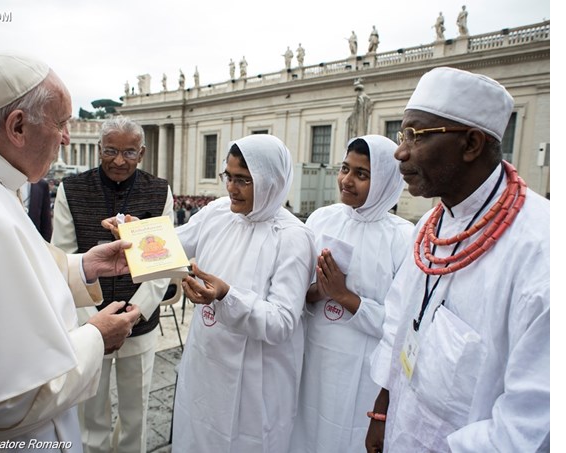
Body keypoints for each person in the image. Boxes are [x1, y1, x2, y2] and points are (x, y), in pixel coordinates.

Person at [0, 50, 140, 448]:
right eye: (62, 123)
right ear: (17, 126)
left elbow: (15, 273)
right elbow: (8, 398)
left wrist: (83, 267)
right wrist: (96, 336)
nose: (68, 137)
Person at [365, 67, 549, 452]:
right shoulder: (431, 227)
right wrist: (383, 409)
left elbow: (530, 423)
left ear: (471, 144)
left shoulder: (541, 252)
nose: (400, 151)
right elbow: (400, 320)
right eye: (403, 135)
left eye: (416, 136)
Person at [171, 135, 317, 451]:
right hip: (206, 361)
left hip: (255, 380)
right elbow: (175, 242)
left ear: (271, 182)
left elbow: (282, 322)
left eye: (243, 180)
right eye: (229, 176)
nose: (231, 188)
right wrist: (133, 235)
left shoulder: (293, 238)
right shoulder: (219, 212)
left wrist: (226, 297)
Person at [52, 116, 174, 453]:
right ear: (98, 149)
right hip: (88, 322)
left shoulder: (159, 190)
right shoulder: (70, 189)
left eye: (129, 153)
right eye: (111, 151)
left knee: (137, 410)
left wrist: (138, 310)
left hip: (141, 320)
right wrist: (94, 318)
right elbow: (63, 254)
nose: (119, 161)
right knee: (91, 413)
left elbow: (163, 263)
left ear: (142, 153)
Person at [290, 135, 414, 453]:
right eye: (345, 169)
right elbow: (294, 293)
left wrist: (345, 297)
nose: (346, 180)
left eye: (361, 174)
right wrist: (318, 291)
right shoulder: (321, 219)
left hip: (364, 374)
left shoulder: (403, 238)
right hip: (315, 362)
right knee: (309, 433)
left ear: (387, 180)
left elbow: (405, 326)